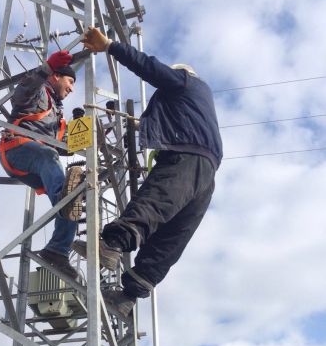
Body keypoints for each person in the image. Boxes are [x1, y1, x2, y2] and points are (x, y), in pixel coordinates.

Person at [73, 27, 223, 317]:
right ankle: (128, 296)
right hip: (207, 174)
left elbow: (150, 67)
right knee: (172, 235)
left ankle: (112, 245)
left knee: (154, 202)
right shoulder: (198, 107)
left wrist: (110, 46)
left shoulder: (184, 82)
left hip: (185, 159)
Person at [0, 50, 84, 280]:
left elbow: (62, 147)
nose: (72, 88)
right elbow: (22, 93)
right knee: (53, 164)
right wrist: (46, 67)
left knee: (73, 192)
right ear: (55, 77)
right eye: (70, 81)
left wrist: (88, 139)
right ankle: (66, 201)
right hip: (17, 150)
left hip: (38, 160)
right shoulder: (39, 94)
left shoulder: (57, 115)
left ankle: (57, 250)